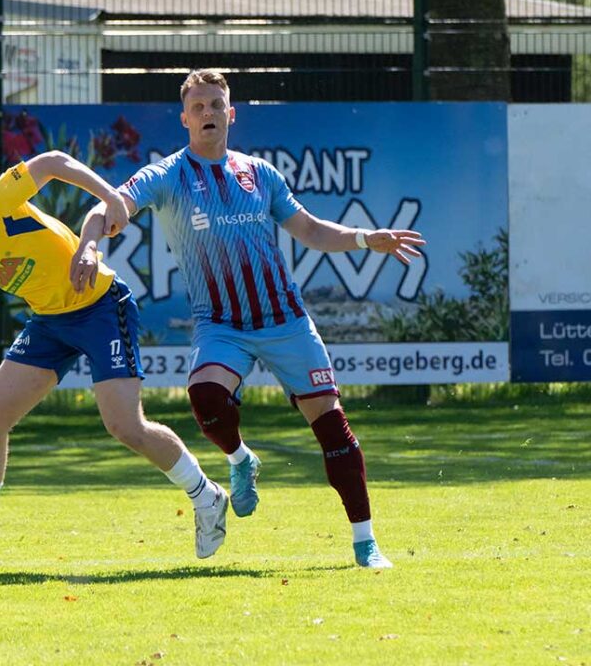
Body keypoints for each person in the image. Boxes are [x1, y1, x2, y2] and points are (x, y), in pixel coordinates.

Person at [71, 70, 426, 569]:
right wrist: (88, 244)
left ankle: (365, 544)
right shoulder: (167, 175)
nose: (208, 114)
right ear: (185, 119)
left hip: (286, 321)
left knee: (332, 430)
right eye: (198, 107)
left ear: (231, 113)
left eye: (217, 105)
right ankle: (240, 459)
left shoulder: (260, 174)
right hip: (221, 325)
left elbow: (311, 229)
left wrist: (368, 239)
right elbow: (108, 205)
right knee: (206, 397)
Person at [0, 150, 229, 567]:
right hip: (50, 321)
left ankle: (207, 495)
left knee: (125, 425)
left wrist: (111, 198)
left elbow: (53, 162)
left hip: (99, 305)